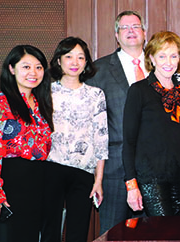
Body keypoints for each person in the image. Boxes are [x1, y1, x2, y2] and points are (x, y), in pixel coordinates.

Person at [123, 31, 180, 217]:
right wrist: (131, 185)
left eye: (173, 56)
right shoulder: (139, 91)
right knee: (163, 233)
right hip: (151, 179)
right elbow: (129, 142)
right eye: (162, 56)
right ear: (152, 58)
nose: (168, 62)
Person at [0, 45, 54, 241]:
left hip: (35, 184)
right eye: (26, 67)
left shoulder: (40, 104)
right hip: (7, 182)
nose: (33, 73)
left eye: (38, 67)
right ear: (12, 69)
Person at [87, 10, 147, 233]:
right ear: (116, 34)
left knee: (153, 234)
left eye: (136, 26)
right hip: (114, 169)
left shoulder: (160, 65)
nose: (131, 31)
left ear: (144, 32)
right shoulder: (98, 70)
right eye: (125, 27)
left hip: (152, 169)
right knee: (113, 234)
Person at [45, 37, 109, 242]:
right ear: (58, 61)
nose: (74, 62)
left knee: (78, 232)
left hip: (83, 171)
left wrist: (98, 180)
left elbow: (101, 137)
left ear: (86, 63)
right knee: (49, 229)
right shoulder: (45, 91)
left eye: (80, 57)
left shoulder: (95, 94)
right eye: (69, 56)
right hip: (50, 168)